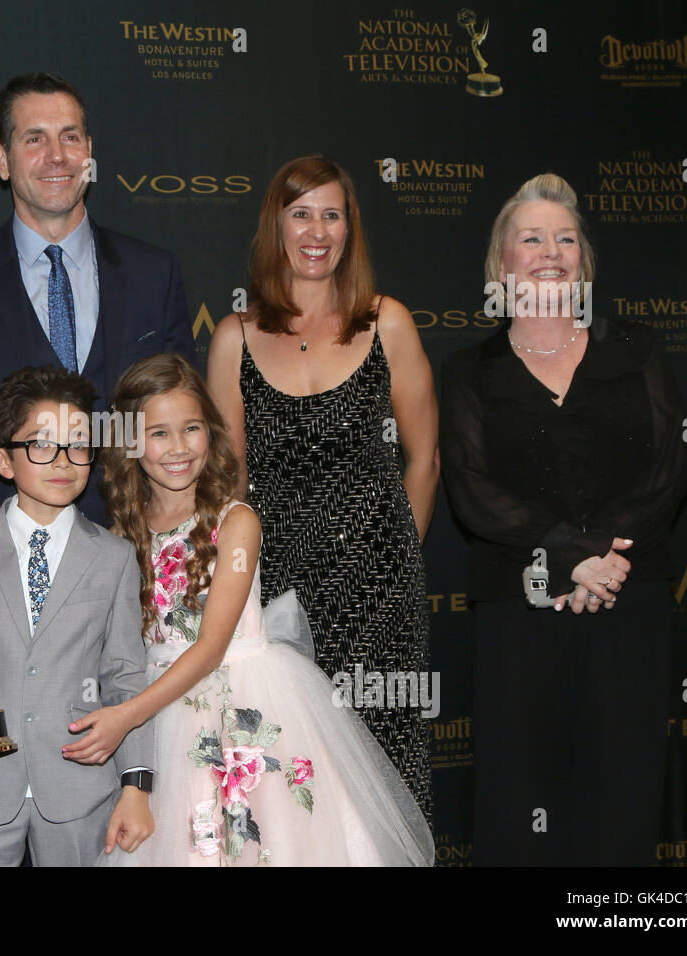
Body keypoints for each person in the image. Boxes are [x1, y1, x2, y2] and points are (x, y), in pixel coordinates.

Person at [65, 354, 433, 866]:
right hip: (159, 722)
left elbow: (212, 647)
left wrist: (126, 716)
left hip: (240, 707)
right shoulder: (119, 537)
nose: (178, 448)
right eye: (159, 433)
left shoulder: (236, 522)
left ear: (211, 433)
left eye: (191, 428)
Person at [440, 173, 687, 865]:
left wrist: (601, 564)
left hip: (628, 605)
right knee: (521, 811)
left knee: (623, 804)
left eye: (565, 237)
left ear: (583, 257)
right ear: (502, 263)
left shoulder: (637, 349)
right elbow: (470, 489)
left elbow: (670, 469)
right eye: (531, 237)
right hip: (518, 619)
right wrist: (573, 553)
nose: (550, 250)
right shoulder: (469, 371)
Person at [207, 156, 439, 819]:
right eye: (301, 213)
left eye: (331, 215)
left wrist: (400, 563)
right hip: (282, 603)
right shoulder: (236, 339)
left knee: (388, 775)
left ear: (349, 228)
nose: (317, 231)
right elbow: (229, 488)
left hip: (382, 602)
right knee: (298, 787)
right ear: (275, 228)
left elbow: (424, 460)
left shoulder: (385, 322)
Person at [0, 71, 195, 548]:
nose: (57, 155)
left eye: (70, 137)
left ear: (89, 153)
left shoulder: (153, 273)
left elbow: (181, 417)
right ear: (2, 159)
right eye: (34, 138)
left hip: (135, 552)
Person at [0, 365, 155, 866]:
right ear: (4, 460)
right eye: (42, 445)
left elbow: (125, 676)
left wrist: (136, 783)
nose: (63, 461)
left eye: (77, 444)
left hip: (81, 785)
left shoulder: (114, 557)